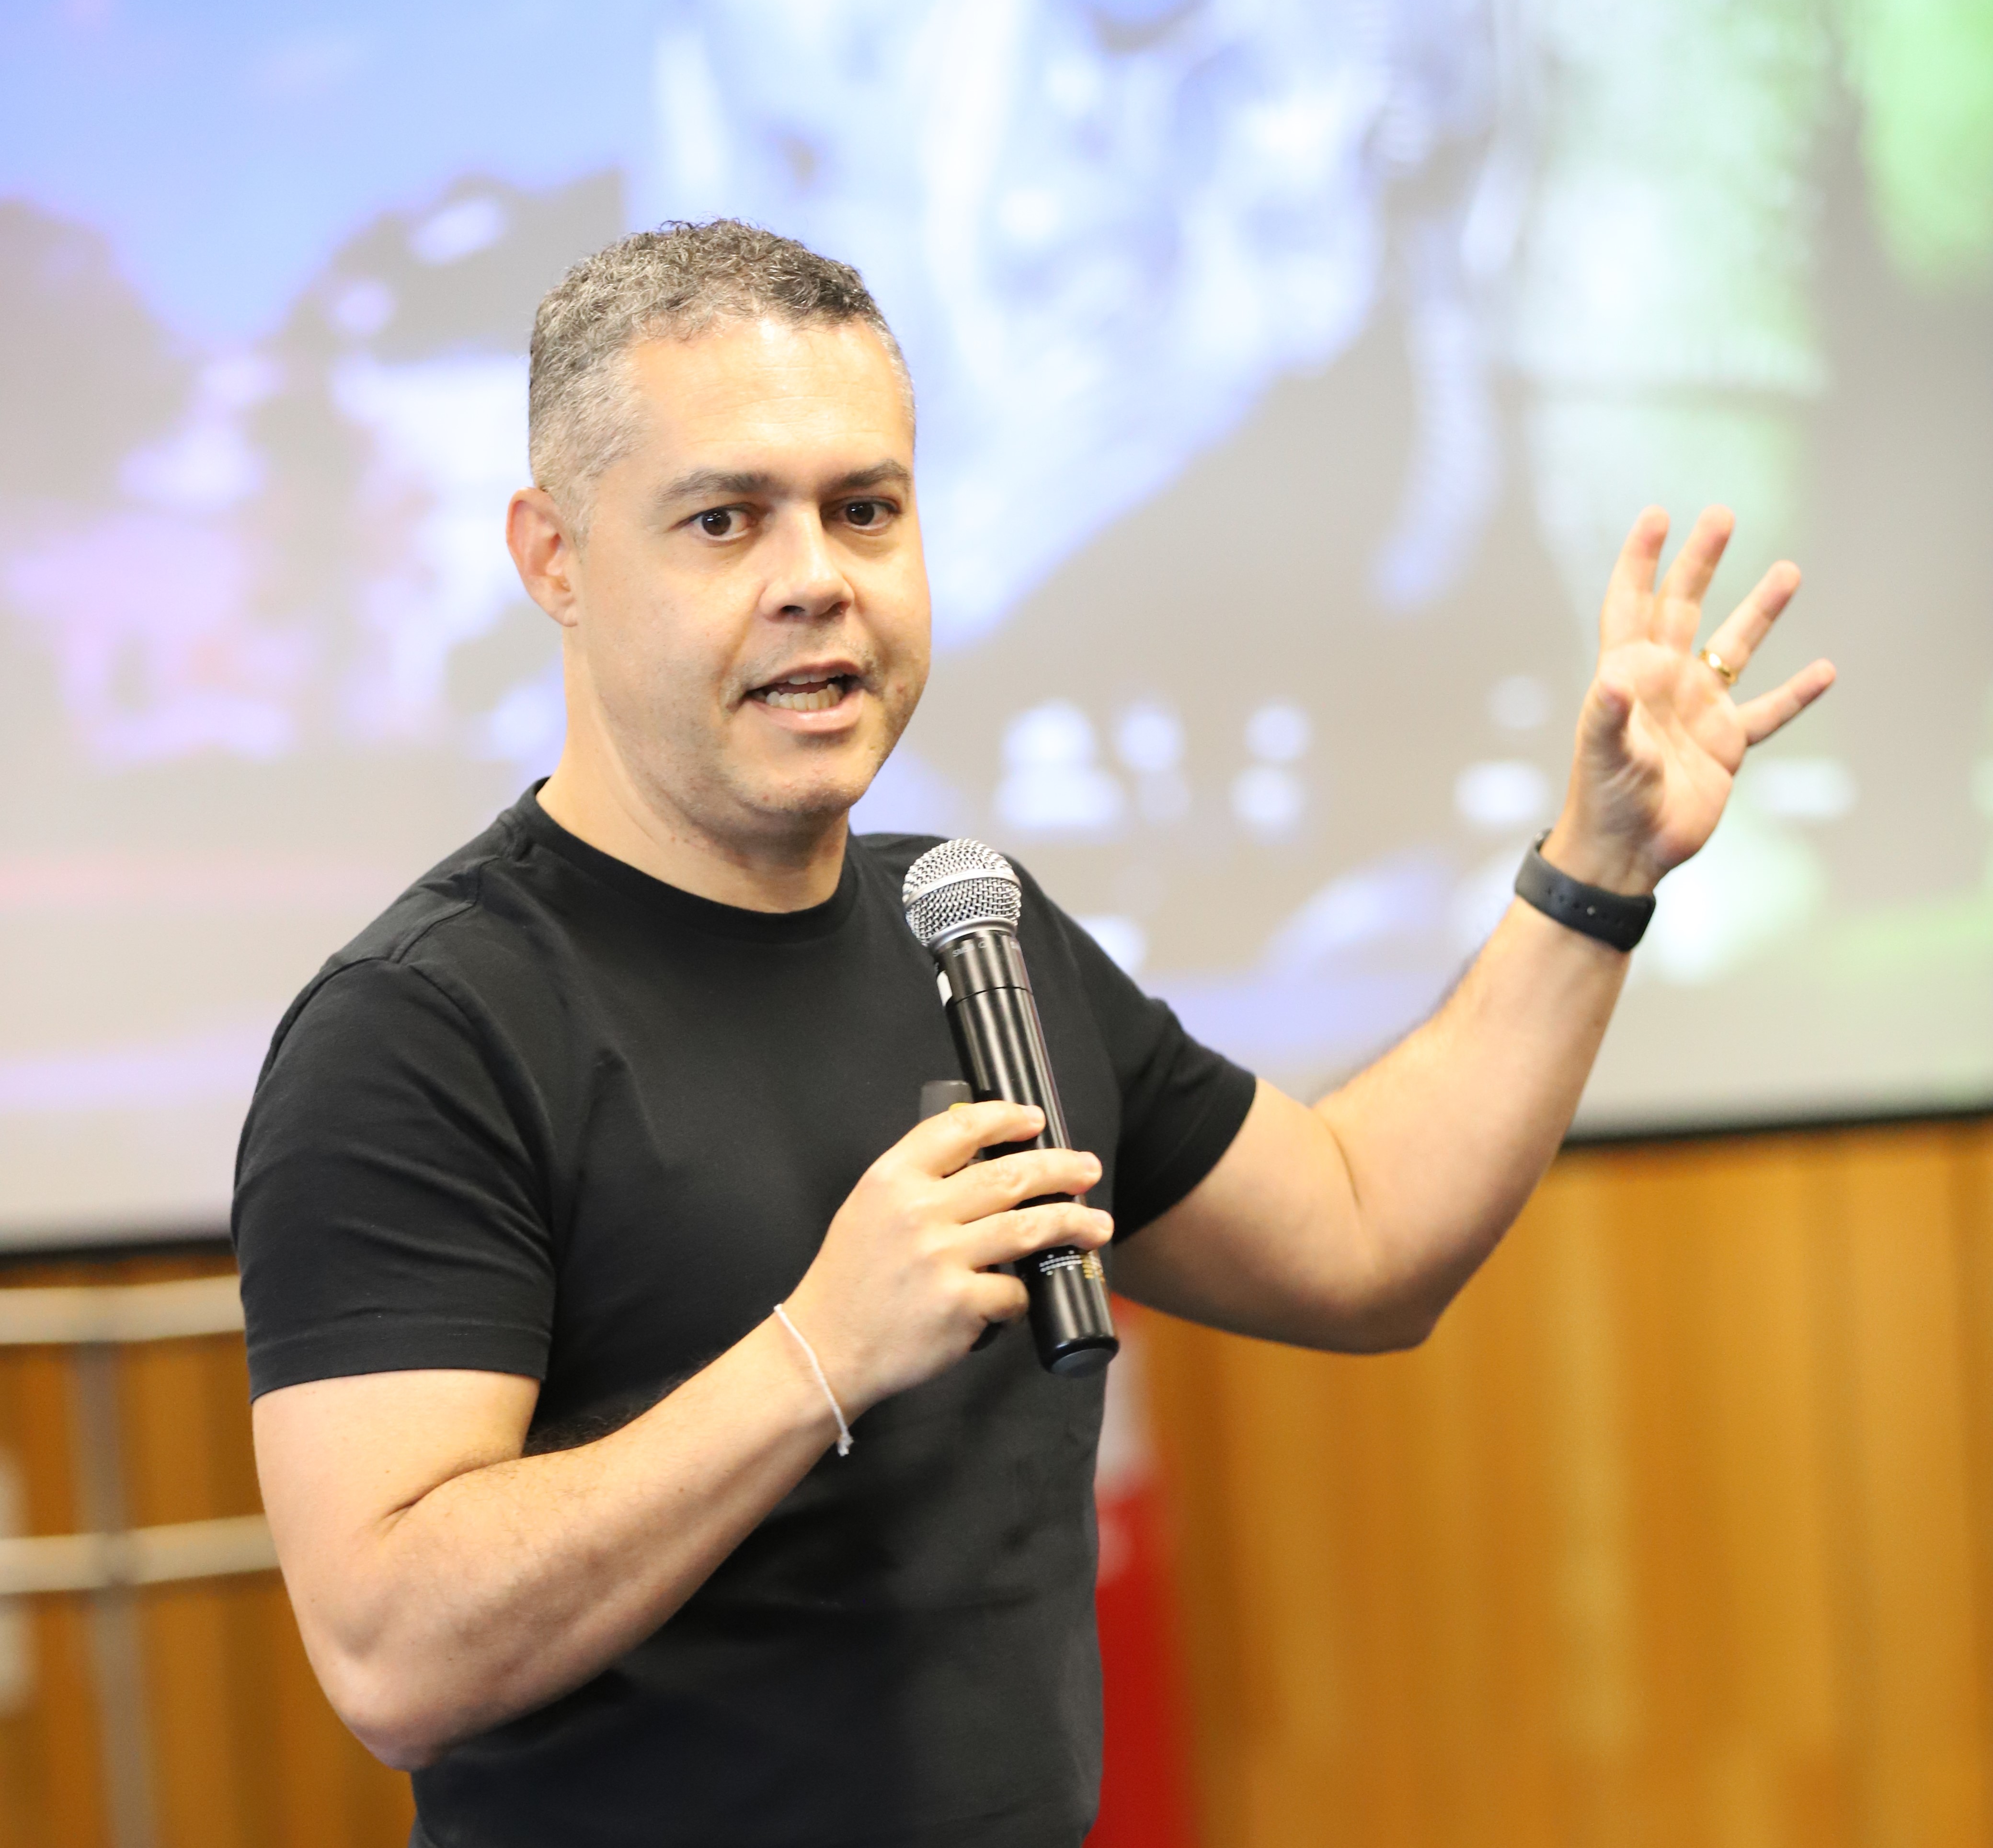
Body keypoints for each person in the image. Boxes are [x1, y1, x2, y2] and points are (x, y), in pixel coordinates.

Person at [234, 220, 1835, 1848]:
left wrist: (1597, 871)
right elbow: (392, 1648)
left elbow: (1368, 1235)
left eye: (868, 509)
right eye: (725, 519)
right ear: (554, 556)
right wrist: (817, 1356)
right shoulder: (424, 1030)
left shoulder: (973, 933)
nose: (817, 577)